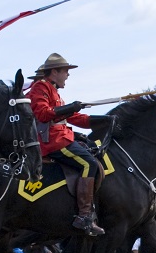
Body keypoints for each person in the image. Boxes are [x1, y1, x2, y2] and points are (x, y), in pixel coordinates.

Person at [27, 53, 104, 236]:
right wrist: (70, 107)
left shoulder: (55, 92)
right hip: (53, 142)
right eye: (66, 71)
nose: (68, 75)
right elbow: (44, 114)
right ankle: (84, 216)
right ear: (55, 71)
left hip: (62, 138)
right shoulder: (40, 87)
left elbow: (77, 118)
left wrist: (102, 120)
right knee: (89, 164)